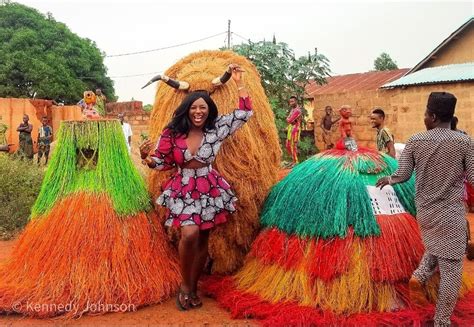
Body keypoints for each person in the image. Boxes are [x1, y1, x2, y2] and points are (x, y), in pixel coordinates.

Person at [139, 64, 252, 311]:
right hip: (183, 186)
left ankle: (192, 286)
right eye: (194, 107)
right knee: (189, 234)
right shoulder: (172, 132)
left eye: (202, 107)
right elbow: (162, 163)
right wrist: (146, 156)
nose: (198, 111)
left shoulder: (216, 128)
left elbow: (244, 113)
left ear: (208, 110)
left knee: (203, 239)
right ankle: (185, 286)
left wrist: (239, 81)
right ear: (187, 110)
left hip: (209, 186)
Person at [376, 92, 473, 327]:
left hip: (425, 213)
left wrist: (388, 179)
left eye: (425, 114)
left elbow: (403, 174)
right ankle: (441, 321)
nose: (423, 119)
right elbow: (472, 176)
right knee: (451, 268)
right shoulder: (465, 142)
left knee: (434, 247)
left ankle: (419, 277)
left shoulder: (416, 140)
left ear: (433, 116)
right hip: (450, 214)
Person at [285, 96, 302, 164]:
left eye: (292, 101)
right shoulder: (292, 110)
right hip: (291, 128)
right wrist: (289, 119)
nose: (291, 103)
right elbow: (288, 119)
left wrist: (289, 119)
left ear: (296, 101)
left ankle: (296, 162)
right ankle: (293, 160)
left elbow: (289, 120)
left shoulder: (297, 110)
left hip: (295, 129)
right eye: (290, 102)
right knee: (288, 145)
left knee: (293, 145)